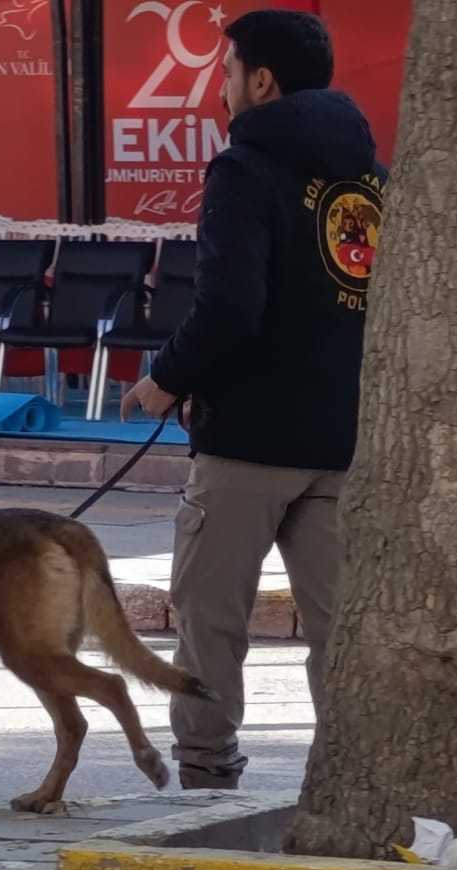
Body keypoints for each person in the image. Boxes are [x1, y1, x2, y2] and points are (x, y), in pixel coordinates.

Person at [120, 9, 384, 790]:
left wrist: (166, 378)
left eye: (227, 71)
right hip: (345, 435)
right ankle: (354, 783)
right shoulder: (371, 179)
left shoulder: (243, 169)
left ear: (261, 80)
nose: (221, 87)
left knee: (211, 622)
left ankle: (207, 779)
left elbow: (230, 305)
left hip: (249, 438)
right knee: (343, 630)